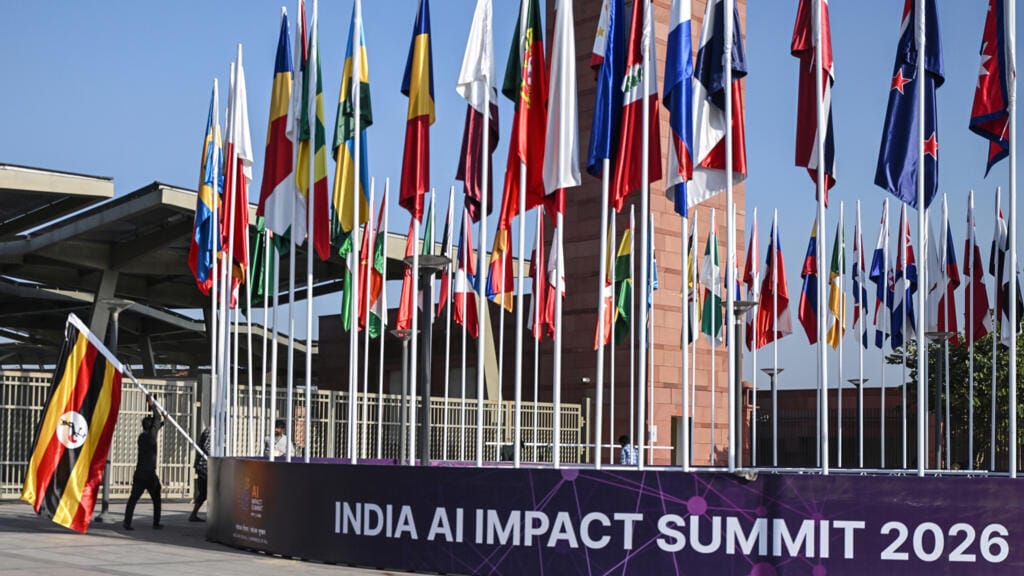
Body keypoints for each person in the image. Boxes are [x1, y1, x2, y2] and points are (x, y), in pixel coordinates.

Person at [124, 395, 164, 530]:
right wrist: (152, 405)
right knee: (156, 498)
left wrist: (164, 422)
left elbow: (157, 424)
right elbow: (157, 419)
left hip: (139, 472)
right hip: (149, 474)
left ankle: (127, 522)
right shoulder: (152, 436)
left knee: (133, 499)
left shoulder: (142, 437)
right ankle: (156, 523)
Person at [189, 426, 211, 522]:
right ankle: (194, 514)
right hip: (204, 465)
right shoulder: (211, 430)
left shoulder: (210, 430)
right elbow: (207, 447)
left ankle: (194, 514)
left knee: (204, 492)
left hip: (203, 465)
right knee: (206, 492)